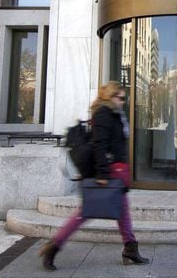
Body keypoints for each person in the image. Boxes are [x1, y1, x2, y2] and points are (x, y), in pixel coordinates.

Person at [39, 81, 149, 270]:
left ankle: (130, 248)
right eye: (120, 97)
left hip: (117, 170)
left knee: (122, 212)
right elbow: (99, 144)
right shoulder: (103, 114)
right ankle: (53, 246)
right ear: (110, 96)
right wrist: (102, 174)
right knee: (85, 213)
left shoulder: (114, 113)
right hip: (109, 171)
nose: (123, 101)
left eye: (125, 98)